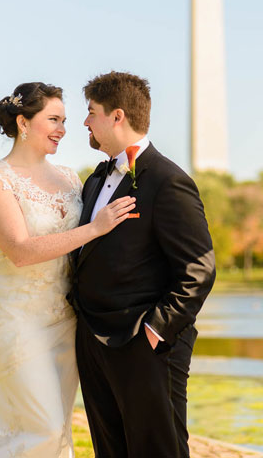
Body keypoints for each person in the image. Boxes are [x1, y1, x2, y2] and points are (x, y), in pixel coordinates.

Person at [0, 82, 136, 457]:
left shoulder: (70, 177)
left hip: (64, 317)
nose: (63, 129)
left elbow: (80, 250)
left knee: (48, 426)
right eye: (53, 119)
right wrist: (94, 228)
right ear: (23, 122)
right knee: (43, 425)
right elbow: (18, 251)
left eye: (64, 121)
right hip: (15, 315)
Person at [67, 71, 216, 458]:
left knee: (157, 450)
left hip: (145, 345)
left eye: (91, 112)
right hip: (93, 340)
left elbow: (198, 271)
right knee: (110, 450)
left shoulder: (168, 181)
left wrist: (154, 330)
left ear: (117, 116)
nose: (85, 122)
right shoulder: (95, 180)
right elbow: (83, 250)